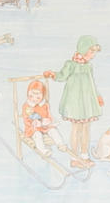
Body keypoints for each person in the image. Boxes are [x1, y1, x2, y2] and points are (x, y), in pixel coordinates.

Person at [44, 35, 103, 170]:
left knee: (86, 129)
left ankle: (84, 155)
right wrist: (52, 74)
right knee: (76, 129)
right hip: (75, 104)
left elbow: (92, 83)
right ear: (83, 49)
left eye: (94, 52)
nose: (93, 55)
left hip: (87, 103)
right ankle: (74, 158)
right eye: (91, 51)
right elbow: (61, 76)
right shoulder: (70, 65)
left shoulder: (88, 66)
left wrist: (98, 96)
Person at [20, 79, 70, 158]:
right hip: (33, 128)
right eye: (31, 96)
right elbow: (26, 119)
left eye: (38, 97)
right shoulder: (27, 106)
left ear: (42, 96)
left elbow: (49, 115)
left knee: (53, 130)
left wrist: (48, 120)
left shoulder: (45, 105)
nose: (34, 99)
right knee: (37, 135)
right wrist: (33, 123)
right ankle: (43, 150)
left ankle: (60, 144)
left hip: (44, 126)